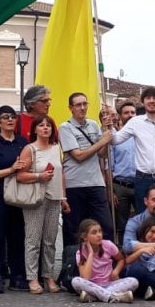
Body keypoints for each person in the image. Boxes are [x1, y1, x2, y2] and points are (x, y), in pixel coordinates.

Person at [18, 115, 69, 293]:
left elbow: (61, 173)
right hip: (36, 199)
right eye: (41, 125)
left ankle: (48, 276)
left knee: (50, 240)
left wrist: (64, 197)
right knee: (33, 240)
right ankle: (32, 278)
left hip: (54, 198)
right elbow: (20, 175)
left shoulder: (56, 148)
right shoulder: (29, 149)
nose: (45, 128)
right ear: (35, 129)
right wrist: (39, 176)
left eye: (48, 125)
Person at [0, 105, 30, 293]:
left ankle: (17, 275)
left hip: (18, 194)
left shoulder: (22, 142)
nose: (10, 120)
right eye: (5, 117)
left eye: (12, 116)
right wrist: (11, 169)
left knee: (17, 236)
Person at [110, 85, 155, 208]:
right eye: (148, 98)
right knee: (143, 216)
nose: (151, 101)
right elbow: (115, 140)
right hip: (143, 178)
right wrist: (109, 126)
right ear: (143, 102)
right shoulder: (135, 122)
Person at [60, 92, 115, 244]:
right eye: (78, 105)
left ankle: (103, 263)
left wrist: (105, 135)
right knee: (76, 230)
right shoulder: (65, 127)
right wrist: (101, 141)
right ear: (71, 108)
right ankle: (75, 264)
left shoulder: (93, 125)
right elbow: (78, 156)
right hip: (75, 184)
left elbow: (102, 154)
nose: (82, 108)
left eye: (85, 104)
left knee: (106, 227)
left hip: (96, 183)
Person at [71, 219, 138, 303]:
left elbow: (121, 259)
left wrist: (116, 271)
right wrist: (91, 254)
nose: (99, 235)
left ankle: (94, 296)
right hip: (91, 285)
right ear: (84, 237)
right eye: (94, 233)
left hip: (108, 284)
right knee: (76, 281)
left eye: (100, 231)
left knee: (133, 281)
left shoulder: (108, 245)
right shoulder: (80, 252)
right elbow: (85, 277)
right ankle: (112, 296)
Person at [109, 99, 139, 240]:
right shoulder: (116, 138)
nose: (130, 115)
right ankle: (122, 253)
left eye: (133, 112)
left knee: (143, 222)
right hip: (120, 186)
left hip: (141, 184)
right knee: (121, 225)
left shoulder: (142, 136)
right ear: (120, 115)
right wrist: (111, 190)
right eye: (126, 113)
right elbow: (109, 165)